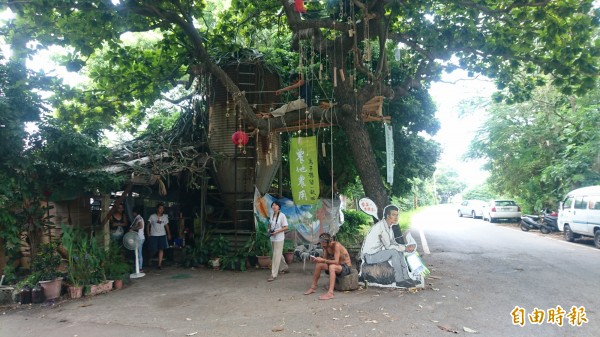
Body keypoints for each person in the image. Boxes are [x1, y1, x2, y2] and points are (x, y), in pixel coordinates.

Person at [360, 205, 419, 288]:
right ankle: (399, 280)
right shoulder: (381, 227)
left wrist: (404, 248)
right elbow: (389, 246)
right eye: (394, 215)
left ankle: (407, 277)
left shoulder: (388, 226)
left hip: (376, 253)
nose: (396, 217)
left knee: (399, 251)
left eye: (397, 215)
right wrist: (405, 248)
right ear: (388, 216)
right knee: (394, 252)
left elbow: (393, 243)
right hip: (369, 256)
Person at [304, 233, 352, 300]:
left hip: (345, 267)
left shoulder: (336, 245)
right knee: (319, 265)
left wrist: (323, 260)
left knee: (332, 267)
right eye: (321, 243)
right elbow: (324, 260)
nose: (322, 245)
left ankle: (330, 293)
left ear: (329, 242)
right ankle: (313, 287)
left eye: (323, 244)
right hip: (337, 266)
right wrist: (316, 260)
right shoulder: (325, 247)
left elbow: (336, 261)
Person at [267, 201, 289, 282]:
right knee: (277, 254)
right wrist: (269, 230)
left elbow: (286, 227)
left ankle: (273, 274)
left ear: (279, 207)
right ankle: (284, 268)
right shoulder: (271, 215)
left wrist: (277, 232)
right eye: (272, 205)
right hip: (272, 237)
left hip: (279, 238)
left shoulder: (282, 215)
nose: (274, 206)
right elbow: (270, 224)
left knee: (276, 256)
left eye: (275, 205)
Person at [146, 203, 171, 270]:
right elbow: (148, 225)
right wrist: (148, 233)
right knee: (153, 249)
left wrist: (169, 234)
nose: (161, 210)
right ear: (157, 209)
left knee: (161, 249)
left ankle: (159, 264)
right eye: (160, 208)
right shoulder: (152, 216)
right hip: (154, 235)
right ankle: (150, 258)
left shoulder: (165, 216)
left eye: (162, 208)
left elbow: (166, 226)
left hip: (162, 234)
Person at [130, 206, 145, 272]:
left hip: (139, 237)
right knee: (137, 253)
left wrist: (133, 229)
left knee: (138, 253)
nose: (132, 214)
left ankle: (140, 267)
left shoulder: (138, 218)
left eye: (132, 212)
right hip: (138, 237)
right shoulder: (137, 218)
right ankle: (138, 267)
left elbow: (140, 226)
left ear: (135, 212)